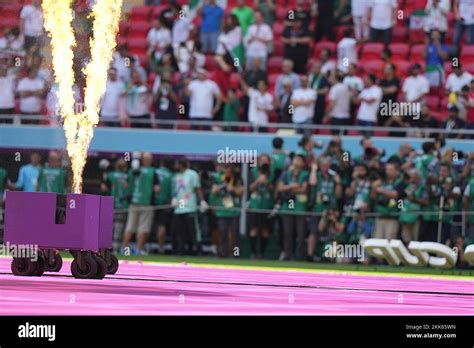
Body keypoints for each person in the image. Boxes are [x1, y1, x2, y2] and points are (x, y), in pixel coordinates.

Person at [122, 152, 159, 255]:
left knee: (130, 227)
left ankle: (124, 249)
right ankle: (138, 250)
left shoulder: (132, 170)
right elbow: (157, 189)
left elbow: (126, 185)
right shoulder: (153, 172)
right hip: (146, 203)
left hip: (134, 201)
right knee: (143, 227)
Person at [307, 158, 342, 261]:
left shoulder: (333, 178)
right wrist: (314, 169)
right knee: (314, 232)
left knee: (331, 233)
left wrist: (338, 182)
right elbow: (312, 183)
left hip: (331, 208)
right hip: (318, 208)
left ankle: (329, 256)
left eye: (327, 166)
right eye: (323, 166)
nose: (325, 168)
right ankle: (310, 255)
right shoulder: (317, 176)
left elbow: (338, 195)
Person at [171, 159, 207, 255]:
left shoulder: (192, 174)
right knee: (180, 231)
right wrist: (174, 198)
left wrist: (202, 201)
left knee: (193, 230)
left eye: (176, 163)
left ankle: (197, 249)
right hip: (179, 206)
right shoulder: (177, 176)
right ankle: (180, 250)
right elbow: (177, 190)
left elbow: (197, 188)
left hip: (189, 205)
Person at [277, 154, 309, 261]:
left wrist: (289, 188)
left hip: (300, 207)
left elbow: (303, 189)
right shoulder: (286, 174)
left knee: (300, 233)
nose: (297, 161)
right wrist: (292, 186)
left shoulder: (305, 174)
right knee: (287, 233)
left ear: (303, 163)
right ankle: (287, 254)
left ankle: (299, 255)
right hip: (288, 206)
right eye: (296, 159)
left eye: (300, 159)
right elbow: (280, 188)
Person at [211, 164, 243, 257]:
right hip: (222, 211)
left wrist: (232, 189)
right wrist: (221, 187)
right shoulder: (218, 178)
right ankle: (223, 253)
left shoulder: (238, 179)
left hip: (234, 211)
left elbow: (241, 192)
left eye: (229, 168)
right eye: (225, 168)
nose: (227, 170)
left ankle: (236, 254)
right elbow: (214, 191)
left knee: (235, 234)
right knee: (223, 233)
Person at [248, 154, 275, 259]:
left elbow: (274, 190)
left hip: (267, 205)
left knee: (265, 230)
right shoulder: (253, 172)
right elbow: (250, 188)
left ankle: (262, 253)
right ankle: (253, 252)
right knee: (254, 228)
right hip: (255, 205)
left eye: (266, 160)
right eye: (262, 160)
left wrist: (267, 181)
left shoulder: (272, 173)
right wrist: (258, 180)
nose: (264, 162)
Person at [101, 158, 130, 251]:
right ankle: (116, 249)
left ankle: (106, 248)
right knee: (119, 228)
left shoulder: (110, 175)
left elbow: (104, 188)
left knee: (109, 227)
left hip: (111, 205)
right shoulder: (128, 176)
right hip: (123, 205)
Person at [371, 162, 404, 240]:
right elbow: (373, 197)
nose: (387, 172)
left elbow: (395, 195)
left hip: (393, 216)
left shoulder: (400, 182)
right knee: (377, 240)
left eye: (390, 170)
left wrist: (379, 190)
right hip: (380, 215)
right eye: (387, 169)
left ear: (397, 171)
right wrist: (373, 188)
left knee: (389, 241)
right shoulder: (381, 182)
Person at [400, 169, 429, 244]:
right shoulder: (407, 186)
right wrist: (401, 207)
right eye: (411, 177)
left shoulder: (423, 188)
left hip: (416, 217)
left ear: (419, 178)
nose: (412, 180)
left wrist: (414, 199)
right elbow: (400, 199)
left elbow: (426, 202)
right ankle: (407, 254)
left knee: (415, 239)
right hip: (405, 216)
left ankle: (414, 255)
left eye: (414, 177)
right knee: (406, 238)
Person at [153, 158, 174, 254]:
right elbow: (173, 191)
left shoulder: (154, 172)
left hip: (151, 203)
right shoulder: (171, 176)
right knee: (162, 226)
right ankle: (161, 248)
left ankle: (140, 248)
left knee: (146, 226)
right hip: (164, 204)